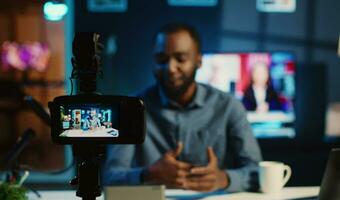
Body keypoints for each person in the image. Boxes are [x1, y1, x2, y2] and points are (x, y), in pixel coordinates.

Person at [103, 23, 262, 192]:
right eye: (161, 60)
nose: (170, 68)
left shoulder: (229, 106)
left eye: (181, 59)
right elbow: (110, 176)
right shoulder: (130, 108)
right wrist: (148, 174)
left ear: (198, 61)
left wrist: (223, 179)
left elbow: (257, 171)